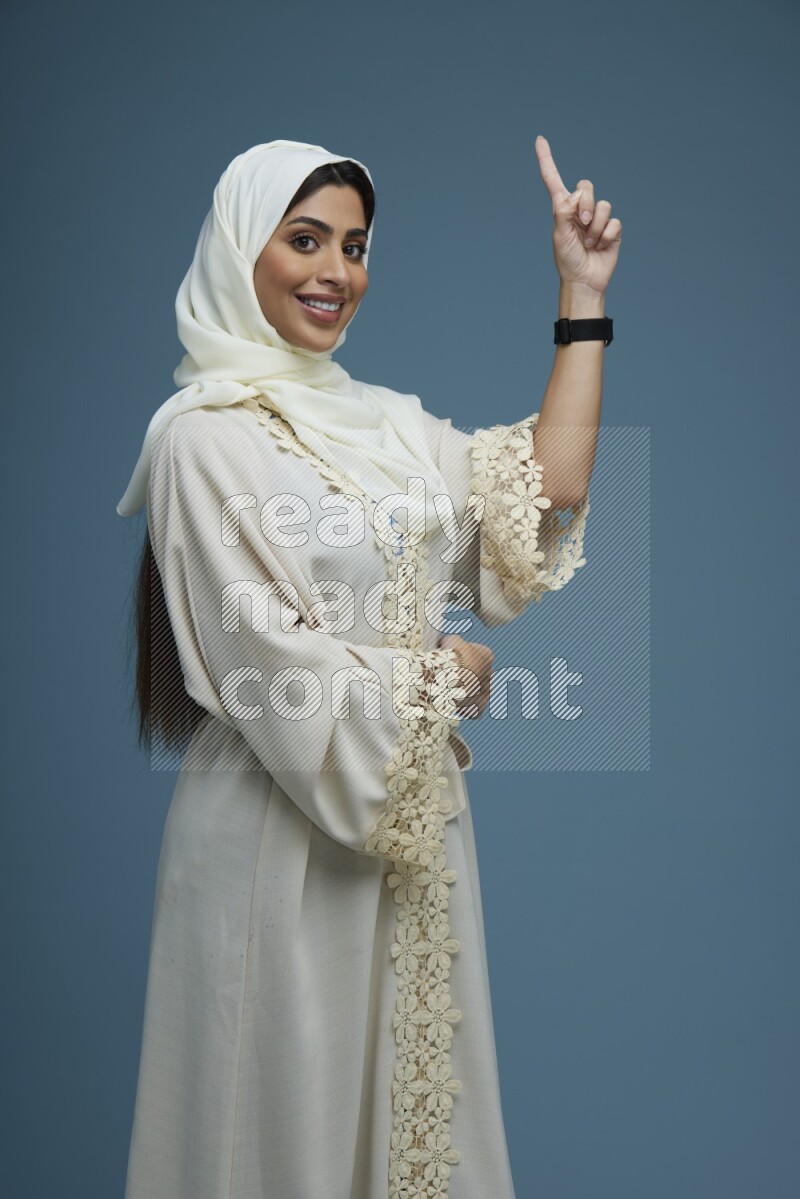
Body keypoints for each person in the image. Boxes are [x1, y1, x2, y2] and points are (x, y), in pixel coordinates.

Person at [118, 136, 620, 1199]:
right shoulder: (197, 441)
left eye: (353, 246)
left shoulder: (385, 426)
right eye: (304, 240)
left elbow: (547, 484)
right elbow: (264, 655)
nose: (335, 270)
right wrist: (438, 672)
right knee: (278, 1127)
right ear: (237, 249)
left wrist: (579, 297)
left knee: (410, 1129)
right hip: (270, 830)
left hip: (404, 828)